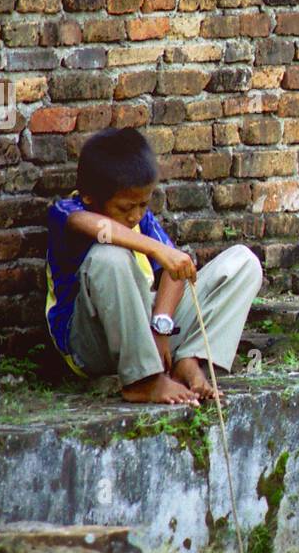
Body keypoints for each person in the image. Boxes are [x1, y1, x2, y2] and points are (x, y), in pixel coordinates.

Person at [43, 128, 263, 405]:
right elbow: (93, 227)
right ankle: (142, 381)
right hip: (91, 343)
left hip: (147, 334)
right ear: (89, 197)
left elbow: (173, 272)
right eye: (125, 208)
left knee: (243, 263)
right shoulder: (67, 212)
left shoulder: (138, 217)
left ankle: (189, 360)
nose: (135, 215)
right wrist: (156, 249)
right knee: (109, 257)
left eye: (143, 205)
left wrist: (161, 328)